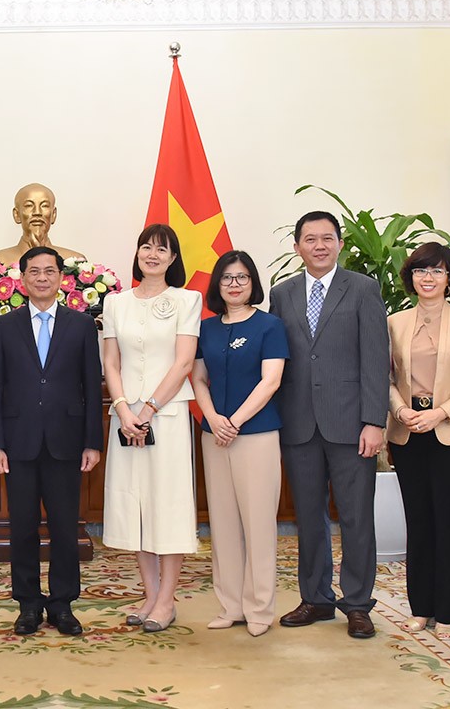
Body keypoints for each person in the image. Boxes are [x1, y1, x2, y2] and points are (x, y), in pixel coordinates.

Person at [267, 210, 389, 640]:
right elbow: (275, 358)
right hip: (298, 424)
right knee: (309, 517)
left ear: (339, 243)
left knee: (356, 517)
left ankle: (357, 603)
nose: (319, 245)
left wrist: (374, 421)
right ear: (297, 246)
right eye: (310, 239)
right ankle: (316, 598)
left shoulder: (363, 289)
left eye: (327, 238)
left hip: (351, 423)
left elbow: (376, 359)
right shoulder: (281, 294)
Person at [0, 246, 103, 637]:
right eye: (33, 271)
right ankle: (29, 606)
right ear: (23, 278)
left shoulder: (82, 326)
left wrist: (92, 442)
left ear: (60, 277)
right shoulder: (2, 327)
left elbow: (90, 386)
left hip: (66, 442)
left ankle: (63, 605)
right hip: (17, 443)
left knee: (66, 528)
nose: (41, 278)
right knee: (22, 529)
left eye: (49, 271)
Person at [387, 241, 450, 639]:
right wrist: (401, 411)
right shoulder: (394, 322)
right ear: (410, 278)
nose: (427, 278)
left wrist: (440, 412)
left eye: (436, 271)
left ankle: (448, 612)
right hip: (408, 432)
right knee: (419, 522)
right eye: (420, 271)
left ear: (449, 278)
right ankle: (421, 607)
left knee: (448, 524)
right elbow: (385, 378)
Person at [101, 223, 201, 634]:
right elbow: (110, 361)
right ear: (137, 254)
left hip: (168, 416)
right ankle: (150, 593)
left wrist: (150, 408)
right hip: (125, 418)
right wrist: (125, 409)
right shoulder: (115, 303)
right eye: (146, 247)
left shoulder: (186, 299)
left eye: (162, 249)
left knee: (168, 504)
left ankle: (167, 599)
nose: (153, 254)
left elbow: (183, 362)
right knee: (135, 505)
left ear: (173, 258)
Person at [191, 250, 288, 637]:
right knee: (224, 523)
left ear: (253, 283)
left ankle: (260, 609)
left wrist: (234, 421)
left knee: (259, 523)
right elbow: (198, 378)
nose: (234, 284)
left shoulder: (270, 326)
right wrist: (213, 419)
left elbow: (271, 381)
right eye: (227, 278)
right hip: (214, 436)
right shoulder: (207, 328)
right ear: (217, 284)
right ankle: (231, 605)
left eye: (242, 277)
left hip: (257, 434)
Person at [0, 183, 84, 264]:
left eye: (44, 206)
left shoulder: (75, 262)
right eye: (29, 206)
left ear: (53, 214)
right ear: (17, 215)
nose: (37, 212)